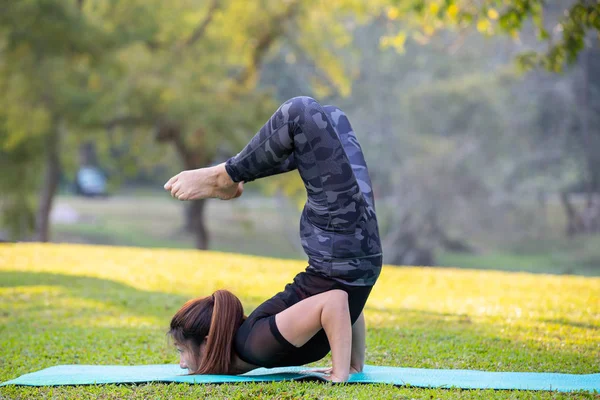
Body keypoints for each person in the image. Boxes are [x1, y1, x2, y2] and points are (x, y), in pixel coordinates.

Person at [163, 96, 382, 382]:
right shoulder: (254, 347)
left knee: (302, 115)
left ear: (207, 342)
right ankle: (234, 176)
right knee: (330, 121)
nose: (181, 364)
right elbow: (346, 302)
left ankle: (226, 176)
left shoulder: (254, 345)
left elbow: (337, 302)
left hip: (340, 247)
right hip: (352, 251)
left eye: (181, 351)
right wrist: (351, 366)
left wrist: (341, 373)